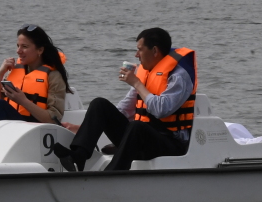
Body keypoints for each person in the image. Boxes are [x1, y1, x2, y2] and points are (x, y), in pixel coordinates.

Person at [51, 27, 196, 173]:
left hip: (169, 143)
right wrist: (84, 128)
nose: (136, 55)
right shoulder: (146, 72)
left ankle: (112, 173)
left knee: (136, 127)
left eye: (140, 50)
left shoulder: (178, 77)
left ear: (155, 51)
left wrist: (136, 83)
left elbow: (161, 110)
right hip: (140, 139)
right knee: (99, 104)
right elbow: (125, 109)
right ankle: (78, 156)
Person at [0, 24, 69, 124]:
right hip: (14, 125)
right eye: (18, 46)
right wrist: (0, 74)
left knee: (0, 105)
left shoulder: (54, 76)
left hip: (33, 129)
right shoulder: (14, 71)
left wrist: (23, 101)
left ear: (40, 50)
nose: (18, 51)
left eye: (24, 46)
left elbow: (54, 120)